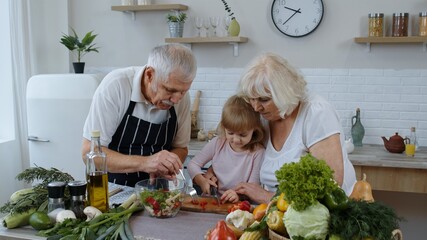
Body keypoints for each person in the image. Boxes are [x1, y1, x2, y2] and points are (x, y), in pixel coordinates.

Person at [234, 53, 357, 204]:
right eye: (251, 98)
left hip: (327, 213)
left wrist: (267, 197)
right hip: (277, 213)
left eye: (264, 100)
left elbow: (330, 184)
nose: (256, 107)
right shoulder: (263, 115)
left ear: (284, 93)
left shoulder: (316, 113)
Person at [81, 44, 197, 187]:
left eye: (183, 92)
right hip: (112, 190)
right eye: (169, 90)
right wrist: (147, 163)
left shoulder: (180, 99)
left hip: (158, 192)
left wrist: (168, 165)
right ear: (149, 75)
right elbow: (89, 154)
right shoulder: (116, 86)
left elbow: (181, 148)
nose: (176, 99)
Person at [187, 95, 266, 203]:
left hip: (238, 205)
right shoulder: (218, 143)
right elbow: (193, 164)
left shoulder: (258, 152)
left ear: (254, 129)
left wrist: (238, 195)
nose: (236, 140)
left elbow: (253, 187)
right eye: (230, 133)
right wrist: (201, 180)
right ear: (224, 127)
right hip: (212, 201)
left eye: (243, 135)